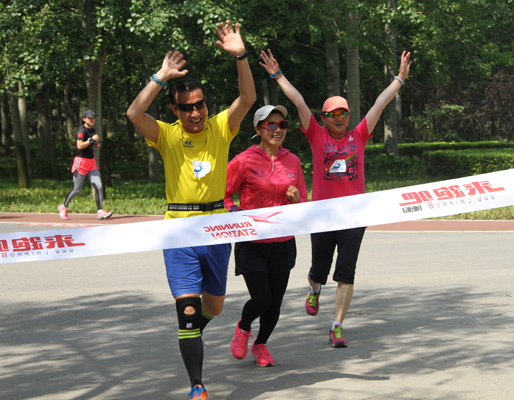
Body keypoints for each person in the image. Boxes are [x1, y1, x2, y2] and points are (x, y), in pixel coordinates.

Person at [126, 21, 256, 400]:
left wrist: (241, 56)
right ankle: (197, 386)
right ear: (175, 109)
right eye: (188, 108)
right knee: (186, 313)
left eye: (200, 105)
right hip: (178, 231)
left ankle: (193, 333)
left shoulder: (220, 127)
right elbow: (134, 113)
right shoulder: (166, 134)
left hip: (217, 228)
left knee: (213, 306)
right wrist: (160, 76)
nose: (196, 113)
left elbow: (246, 99)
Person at [259, 48, 411, 348]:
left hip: (355, 216)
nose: (339, 119)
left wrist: (399, 79)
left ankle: (337, 326)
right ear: (324, 118)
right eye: (333, 114)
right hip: (323, 215)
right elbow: (299, 101)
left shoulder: (360, 135)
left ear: (349, 116)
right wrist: (277, 75)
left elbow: (380, 104)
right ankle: (314, 288)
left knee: (347, 270)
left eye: (344, 113)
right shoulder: (316, 135)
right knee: (320, 268)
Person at [225, 105, 307, 367]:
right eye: (271, 125)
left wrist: (295, 199)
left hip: (283, 242)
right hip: (252, 242)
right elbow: (224, 195)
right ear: (259, 128)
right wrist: (234, 211)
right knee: (262, 299)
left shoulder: (292, 160)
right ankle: (243, 326)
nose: (277, 130)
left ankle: (261, 345)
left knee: (274, 304)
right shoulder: (243, 160)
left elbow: (303, 200)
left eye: (282, 125)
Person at [58, 109, 113, 221]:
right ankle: (63, 207)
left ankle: (100, 211)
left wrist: (95, 144)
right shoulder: (81, 131)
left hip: (91, 162)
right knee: (77, 189)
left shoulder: (92, 130)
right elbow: (79, 146)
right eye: (89, 118)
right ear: (84, 119)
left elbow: (89, 144)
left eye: (93, 117)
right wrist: (91, 140)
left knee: (99, 186)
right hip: (81, 162)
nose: (92, 120)